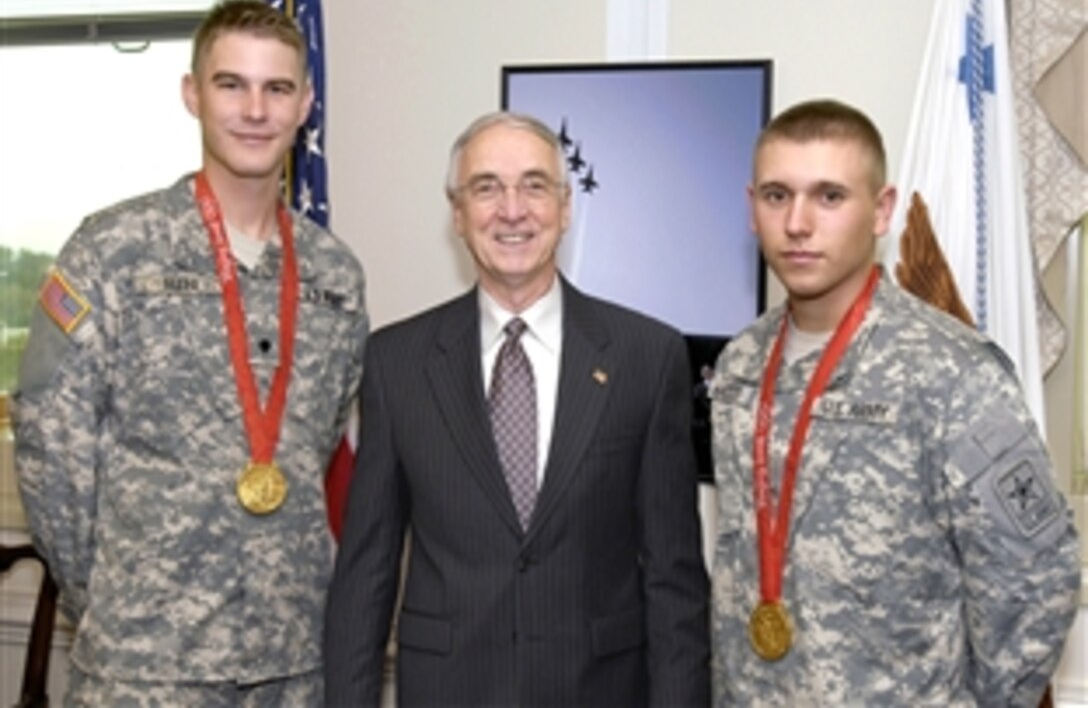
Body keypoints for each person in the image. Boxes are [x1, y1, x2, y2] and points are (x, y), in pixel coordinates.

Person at [13, 0, 368, 705]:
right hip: (145, 668)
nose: (254, 110)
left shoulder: (335, 275)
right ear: (192, 94)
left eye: (277, 89)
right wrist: (122, 596)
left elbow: (314, 445)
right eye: (231, 84)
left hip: (289, 664)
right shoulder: (113, 251)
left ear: (306, 103)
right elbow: (52, 453)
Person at [324, 111, 710, 707]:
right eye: (486, 187)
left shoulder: (647, 356)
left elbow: (674, 578)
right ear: (457, 213)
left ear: (565, 206)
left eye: (534, 185)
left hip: (600, 691)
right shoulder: (397, 362)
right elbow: (365, 573)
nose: (512, 209)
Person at [709, 98, 1080, 705]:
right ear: (753, 208)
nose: (798, 223)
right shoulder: (740, 366)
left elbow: (1035, 580)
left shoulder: (952, 373)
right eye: (777, 196)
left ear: (881, 211)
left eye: (829, 197)